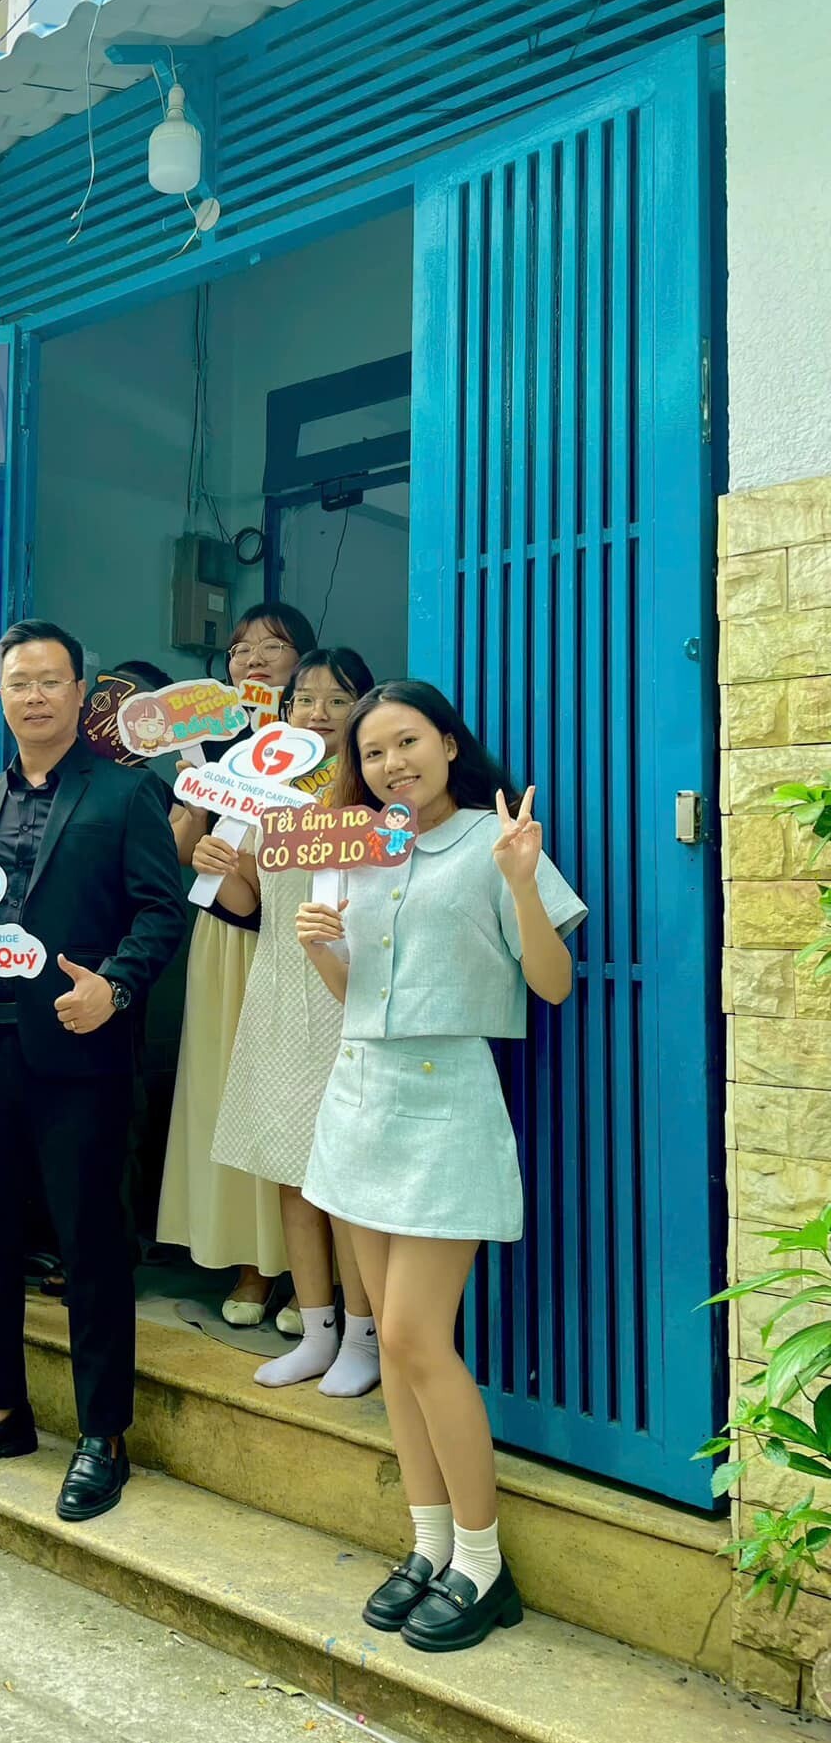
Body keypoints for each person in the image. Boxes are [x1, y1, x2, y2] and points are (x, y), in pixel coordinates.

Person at [296, 683, 585, 1652]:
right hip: (359, 1100)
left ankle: (483, 1562)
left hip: (447, 1100)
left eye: (407, 742)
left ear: (449, 744)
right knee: (392, 1342)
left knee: (419, 1336)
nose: (391, 765)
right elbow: (357, 996)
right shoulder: (356, 849)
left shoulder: (496, 841)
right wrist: (322, 949)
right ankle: (428, 1544)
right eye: (373, 753)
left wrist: (520, 881)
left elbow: (552, 984)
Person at [0, 620, 186, 1521]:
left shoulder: (128, 794)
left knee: (91, 1244)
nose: (33, 696)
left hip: (81, 1049)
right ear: (1, 696)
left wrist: (115, 985)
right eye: (18, 683)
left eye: (48, 681)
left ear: (79, 694)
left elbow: (162, 913)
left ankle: (104, 1435)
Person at [197, 648, 380, 1395]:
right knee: (290, 1175)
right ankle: (316, 1332)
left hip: (346, 993)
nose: (319, 713)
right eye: (305, 699)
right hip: (276, 993)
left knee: (346, 1179)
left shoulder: (374, 795)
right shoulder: (262, 794)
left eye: (339, 699)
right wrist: (221, 864)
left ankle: (364, 1340)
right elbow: (248, 905)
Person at [155, 601, 317, 1327]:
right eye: (241, 647)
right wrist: (195, 799)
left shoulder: (328, 752)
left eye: (272, 645)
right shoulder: (214, 750)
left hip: (297, 940)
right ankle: (251, 1265)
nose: (253, 657)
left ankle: (311, 1276)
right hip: (222, 943)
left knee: (295, 1101)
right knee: (226, 1096)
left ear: (303, 664)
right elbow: (175, 853)